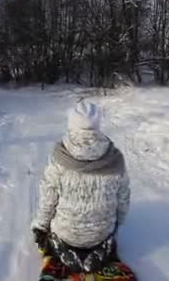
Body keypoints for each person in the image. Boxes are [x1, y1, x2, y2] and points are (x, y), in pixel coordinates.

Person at [31, 101, 131, 273]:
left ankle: (62, 250)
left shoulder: (59, 157)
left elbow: (48, 198)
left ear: (72, 124)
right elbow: (123, 198)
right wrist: (118, 222)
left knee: (53, 231)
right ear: (97, 125)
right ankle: (100, 251)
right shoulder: (115, 157)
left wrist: (41, 226)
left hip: (66, 234)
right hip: (102, 234)